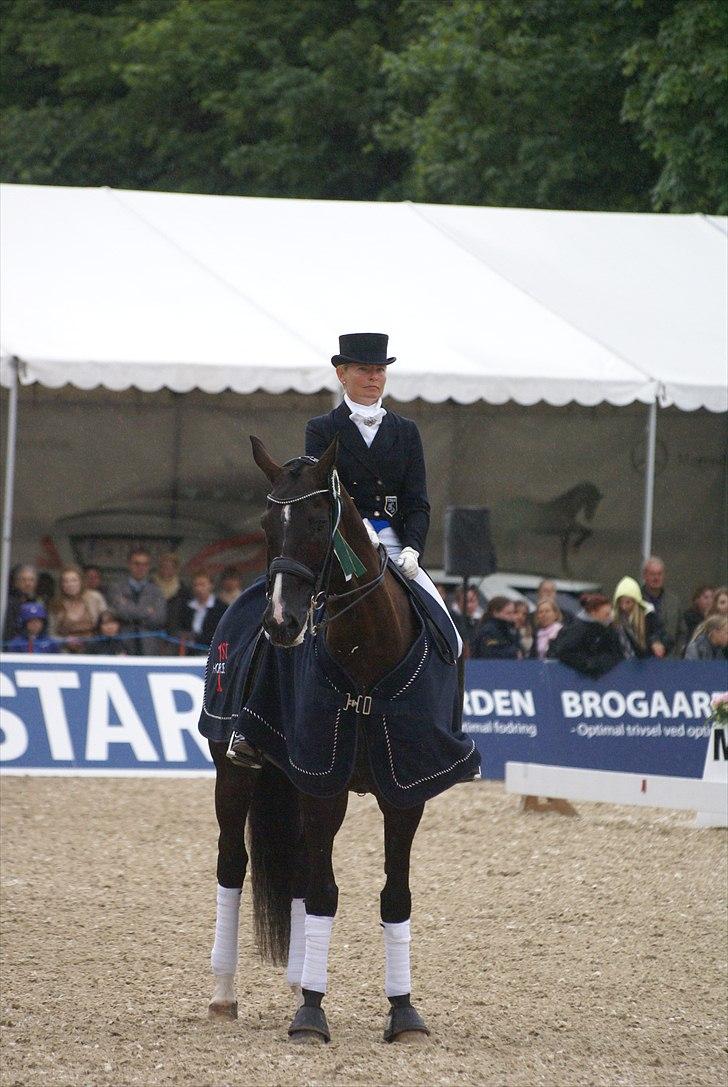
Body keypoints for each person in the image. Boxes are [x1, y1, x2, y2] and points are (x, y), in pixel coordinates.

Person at [304, 333, 457, 644]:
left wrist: (413, 548)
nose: (373, 377)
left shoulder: (406, 431)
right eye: (363, 369)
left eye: (380, 370)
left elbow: (417, 502)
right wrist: (356, 528)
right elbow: (321, 496)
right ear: (341, 374)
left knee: (451, 637)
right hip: (343, 543)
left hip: (396, 545)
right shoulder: (321, 429)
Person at [107, 547, 167, 655]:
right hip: (122, 646)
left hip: (149, 647)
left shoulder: (156, 591)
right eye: (136, 564)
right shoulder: (116, 588)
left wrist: (130, 611)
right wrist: (147, 612)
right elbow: (120, 612)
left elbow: (159, 618)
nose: (141, 568)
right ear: (129, 564)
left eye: (145, 564)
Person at [548, 593, 624, 678]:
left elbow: (617, 652)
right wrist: (589, 664)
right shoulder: (576, 629)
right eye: (606, 614)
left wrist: (602, 662)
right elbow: (564, 652)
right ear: (593, 613)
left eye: (610, 613)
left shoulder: (609, 629)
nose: (610, 617)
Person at [48, 564, 106, 652]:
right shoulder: (55, 604)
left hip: (94, 649)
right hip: (65, 651)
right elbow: (51, 633)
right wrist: (65, 641)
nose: (70, 584)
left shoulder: (95, 598)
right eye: (66, 581)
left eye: (74, 580)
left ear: (81, 582)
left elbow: (107, 622)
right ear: (61, 585)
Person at [612, 576, 666, 660]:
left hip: (647, 664)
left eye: (628, 602)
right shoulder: (613, 620)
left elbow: (661, 633)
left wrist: (656, 641)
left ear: (635, 601)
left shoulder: (649, 617)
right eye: (620, 602)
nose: (623, 606)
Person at [178, 571, 228, 654]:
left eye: (202, 585)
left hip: (211, 652)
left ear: (211, 586)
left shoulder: (221, 608)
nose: (199, 588)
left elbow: (221, 633)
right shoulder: (186, 607)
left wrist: (196, 638)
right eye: (196, 585)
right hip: (189, 653)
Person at [640, 556, 681, 655]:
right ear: (644, 576)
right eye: (652, 574)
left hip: (670, 660)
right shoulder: (636, 600)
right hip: (643, 660)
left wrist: (677, 654)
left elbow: (681, 632)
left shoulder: (674, 602)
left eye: (659, 574)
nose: (656, 578)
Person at [3, 563, 40, 642]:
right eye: (24, 580)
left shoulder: (36, 603)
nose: (28, 583)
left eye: (31, 580)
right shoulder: (7, 602)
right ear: (16, 582)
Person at [677, 584, 714, 655]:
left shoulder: (718, 618)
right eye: (706, 597)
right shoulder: (689, 617)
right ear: (697, 600)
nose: (710, 601)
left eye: (712, 597)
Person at [448, 585, 484, 654]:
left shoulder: (480, 620)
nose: (469, 605)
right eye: (466, 601)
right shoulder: (451, 620)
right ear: (457, 602)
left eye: (473, 601)